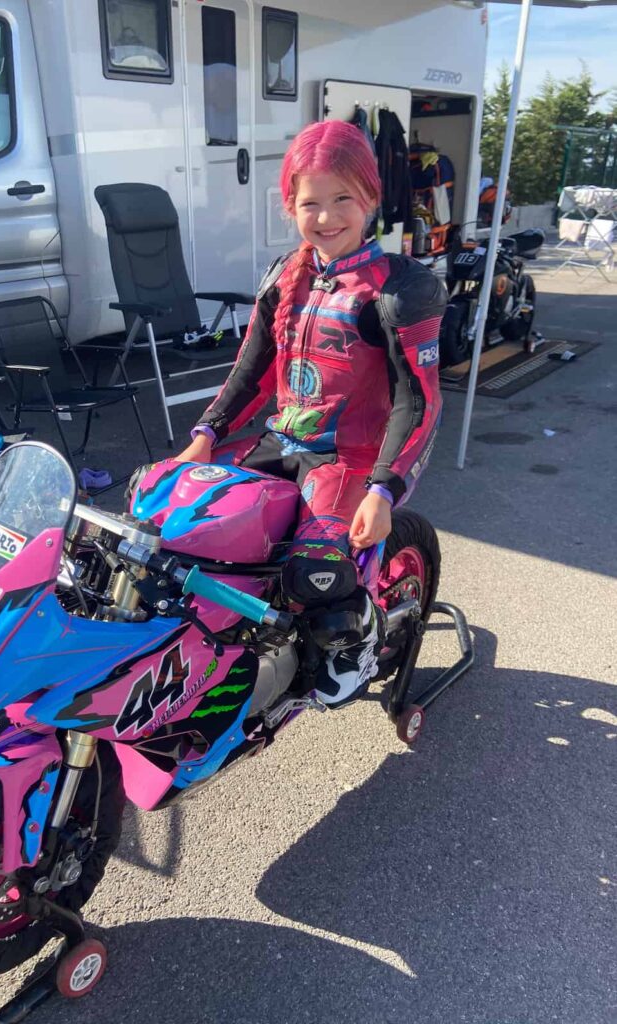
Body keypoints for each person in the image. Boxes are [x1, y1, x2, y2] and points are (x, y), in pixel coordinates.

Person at [174, 120, 445, 709]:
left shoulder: (401, 288)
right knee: (184, 534)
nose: (326, 217)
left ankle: (355, 649)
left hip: (354, 459)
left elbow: (418, 400)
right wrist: (205, 435)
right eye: (310, 203)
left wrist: (383, 489)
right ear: (290, 206)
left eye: (342, 198)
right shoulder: (283, 275)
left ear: (371, 197)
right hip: (282, 443)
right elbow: (251, 372)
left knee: (312, 575)